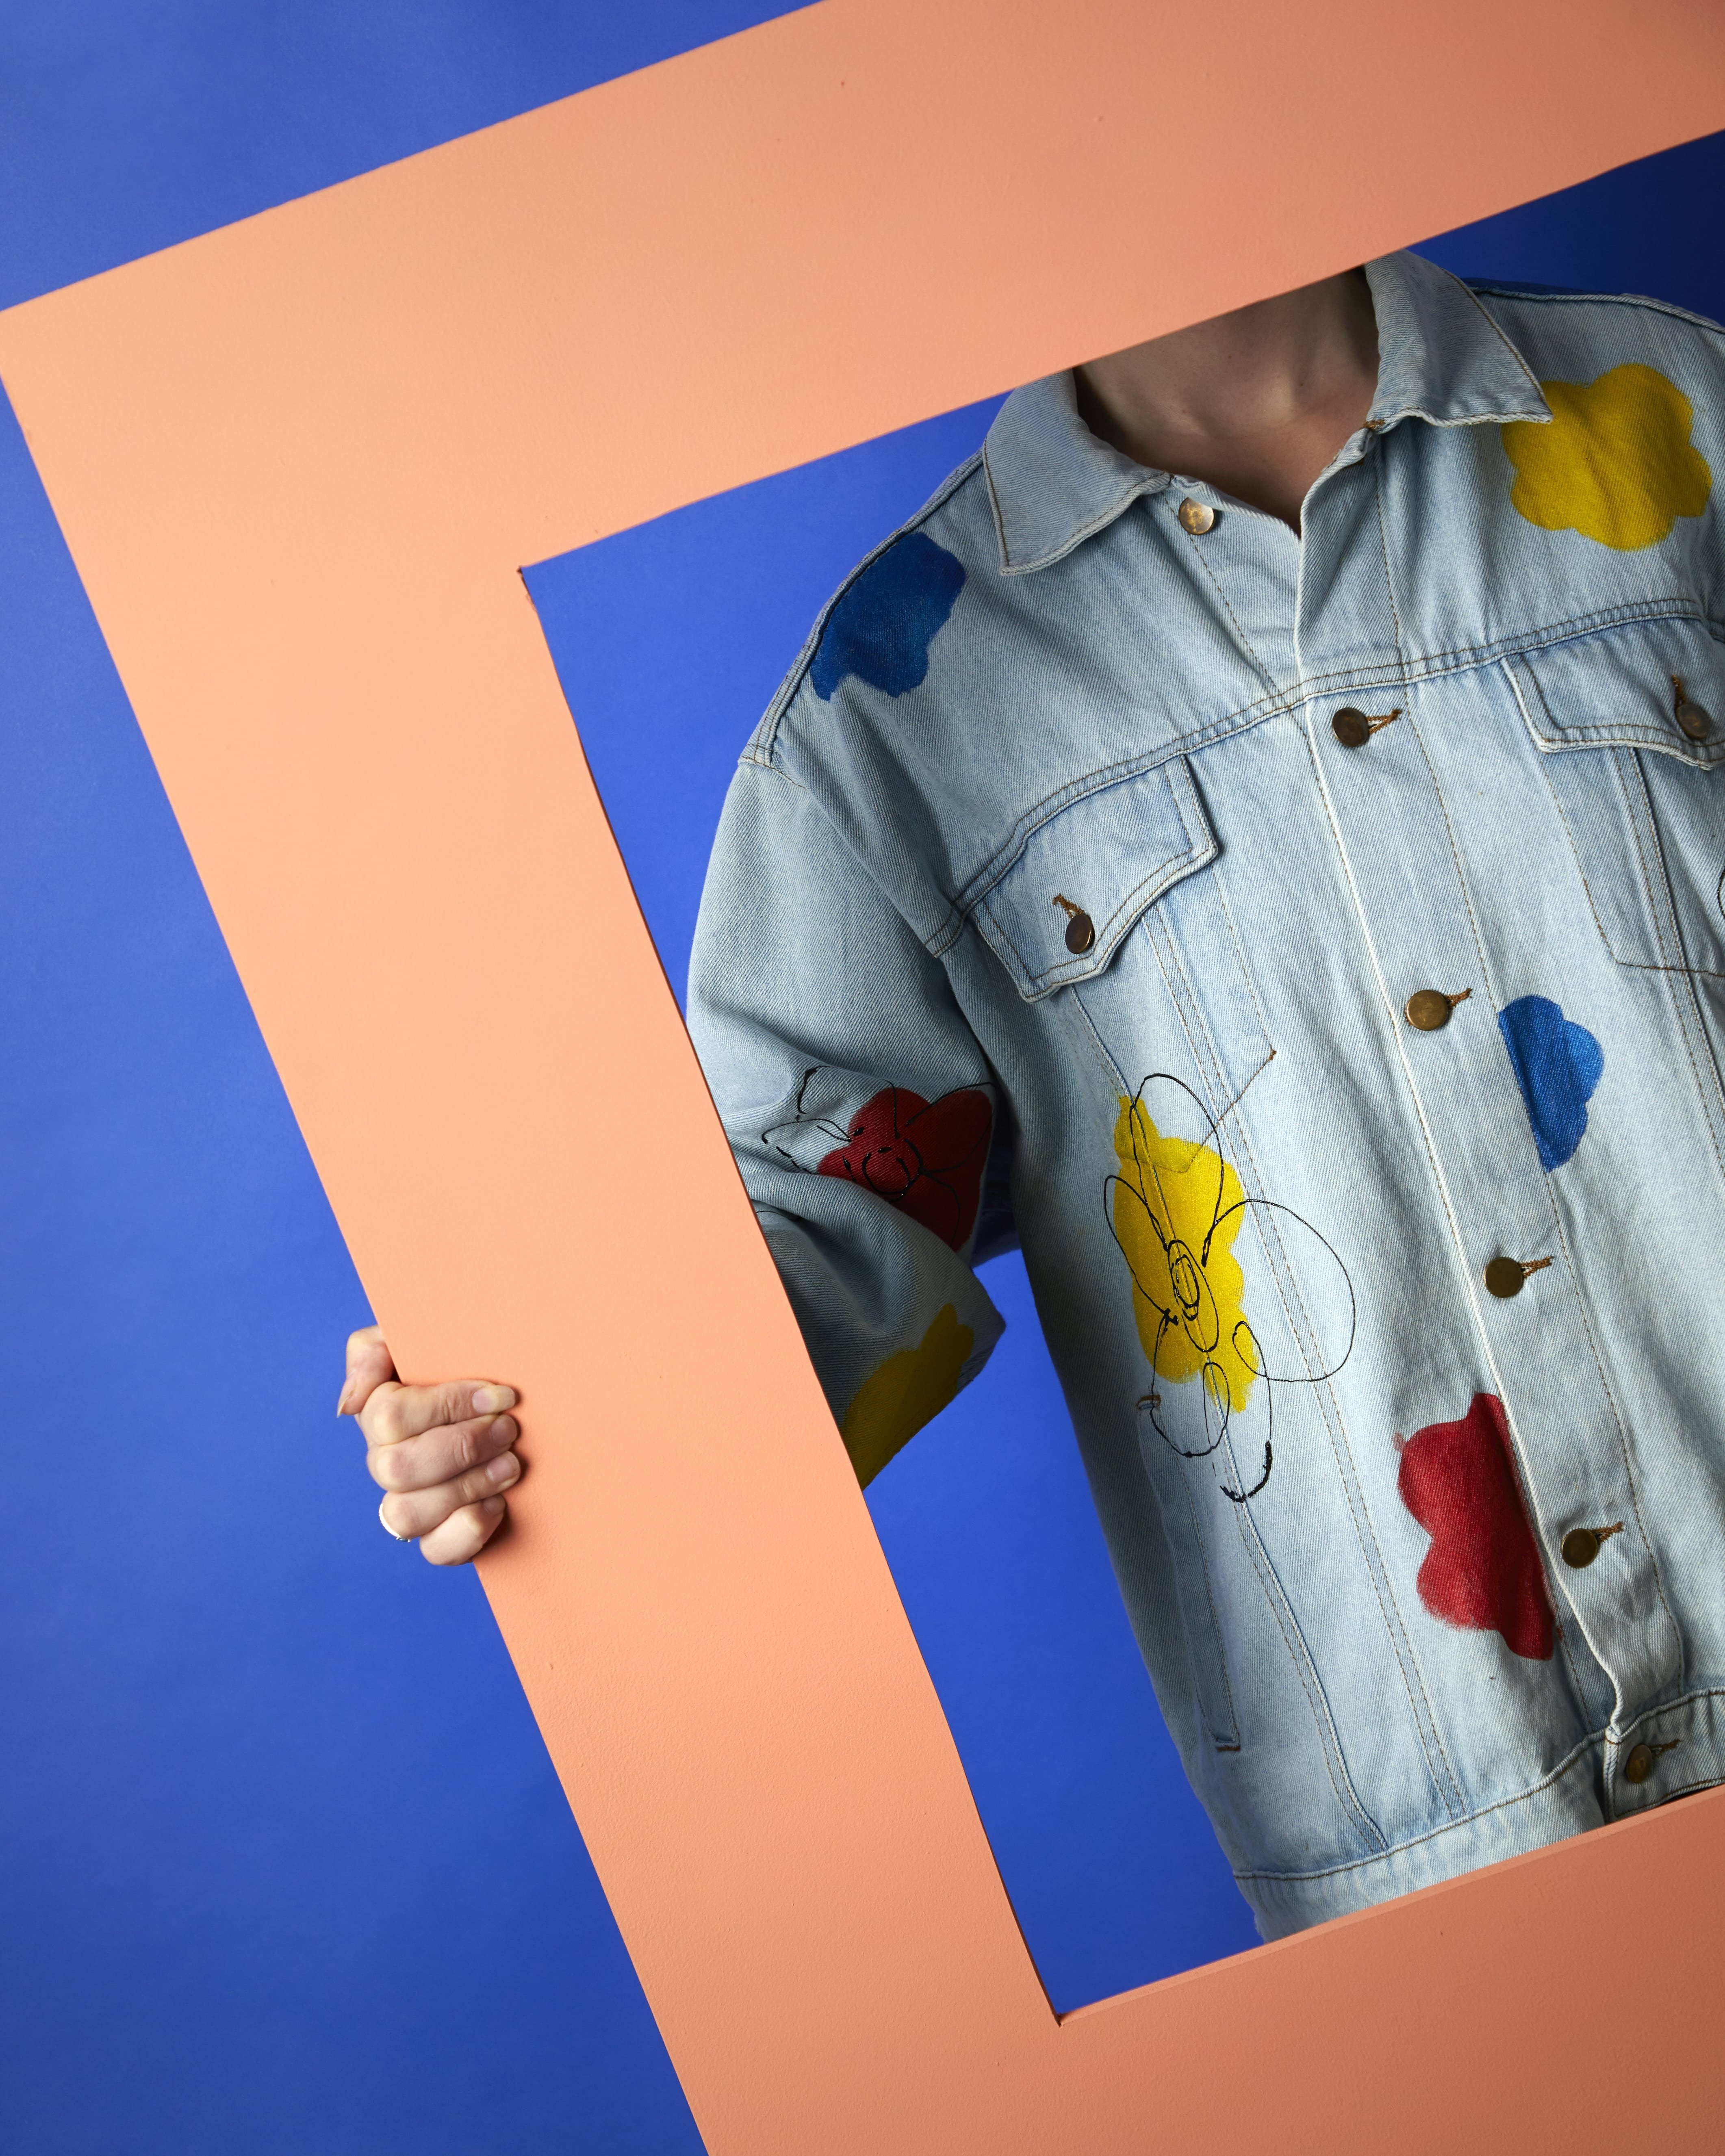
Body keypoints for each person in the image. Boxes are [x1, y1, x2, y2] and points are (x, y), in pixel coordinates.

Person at [341, 250, 1725, 1939]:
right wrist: (533, 1416)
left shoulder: (1689, 421)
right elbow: (809, 1262)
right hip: (1433, 1884)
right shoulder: (890, 711)